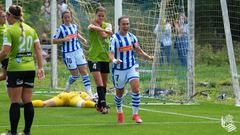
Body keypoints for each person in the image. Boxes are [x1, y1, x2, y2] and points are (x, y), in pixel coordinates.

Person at [0, 5, 45, 135]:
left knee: (15, 102)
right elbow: (38, 50)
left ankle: (13, 132)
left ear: (10, 16)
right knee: (27, 101)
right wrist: (40, 67)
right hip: (30, 68)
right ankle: (26, 132)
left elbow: (5, 51)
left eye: (6, 15)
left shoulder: (9, 31)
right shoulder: (31, 29)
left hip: (16, 69)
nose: (5, 18)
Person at [109, 16, 154, 124]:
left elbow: (138, 50)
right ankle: (119, 112)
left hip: (132, 66)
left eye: (127, 24)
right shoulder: (114, 38)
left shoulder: (132, 37)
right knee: (119, 93)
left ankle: (135, 114)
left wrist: (148, 57)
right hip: (119, 69)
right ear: (119, 25)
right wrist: (115, 60)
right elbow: (111, 54)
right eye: (123, 24)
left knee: (136, 89)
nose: (126, 26)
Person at [53, 10, 93, 97]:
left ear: (71, 18)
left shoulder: (74, 26)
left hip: (78, 51)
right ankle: (68, 84)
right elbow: (54, 40)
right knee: (75, 75)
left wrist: (82, 39)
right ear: (63, 19)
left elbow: (76, 34)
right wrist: (64, 39)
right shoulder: (60, 29)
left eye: (69, 17)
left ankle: (90, 93)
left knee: (84, 71)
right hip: (68, 54)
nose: (67, 19)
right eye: (65, 17)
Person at [88, 6, 112, 114]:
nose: (101, 17)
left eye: (103, 16)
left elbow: (104, 35)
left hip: (104, 58)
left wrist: (100, 27)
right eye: (99, 16)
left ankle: (99, 104)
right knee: (99, 82)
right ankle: (103, 106)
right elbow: (98, 31)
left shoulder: (108, 25)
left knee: (104, 84)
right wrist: (99, 27)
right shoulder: (91, 25)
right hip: (94, 58)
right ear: (95, 15)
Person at [0, 5, 7, 81]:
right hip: (4, 54)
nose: (5, 18)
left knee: (5, 76)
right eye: (3, 17)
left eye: (5, 16)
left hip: (8, 55)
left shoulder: (5, 26)